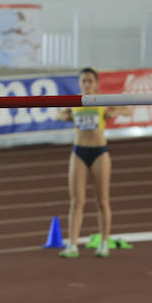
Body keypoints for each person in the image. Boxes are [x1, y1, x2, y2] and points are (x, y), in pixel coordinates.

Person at [56, 68, 132, 259]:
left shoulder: (103, 101)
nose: (87, 84)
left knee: (102, 200)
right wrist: (65, 116)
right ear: (79, 83)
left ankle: (104, 243)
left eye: (90, 81)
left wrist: (113, 112)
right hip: (79, 152)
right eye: (83, 81)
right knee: (76, 201)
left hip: (99, 152)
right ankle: (72, 245)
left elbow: (128, 110)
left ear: (96, 83)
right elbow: (58, 115)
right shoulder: (75, 102)